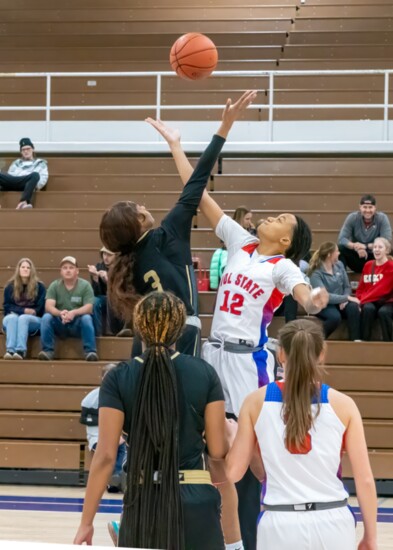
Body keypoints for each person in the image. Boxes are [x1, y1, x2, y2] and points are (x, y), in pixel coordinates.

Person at [146, 117, 329, 550]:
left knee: (251, 449)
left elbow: (303, 295)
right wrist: (176, 145)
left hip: (249, 361)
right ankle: (197, 527)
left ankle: (278, 506)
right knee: (209, 443)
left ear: (286, 240)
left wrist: (314, 300)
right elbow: (198, 193)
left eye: (281, 217)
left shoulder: (281, 266)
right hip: (213, 354)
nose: (272, 214)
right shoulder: (240, 242)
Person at [99, 90, 256, 358]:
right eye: (140, 207)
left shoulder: (126, 264)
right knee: (184, 400)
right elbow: (197, 181)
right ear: (139, 220)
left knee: (146, 399)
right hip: (181, 335)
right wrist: (224, 126)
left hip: (145, 338)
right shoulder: (167, 234)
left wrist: (174, 144)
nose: (144, 207)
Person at [73, 291, 228, 549]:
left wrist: (86, 522)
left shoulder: (118, 378)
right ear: (180, 330)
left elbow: (106, 456)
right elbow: (217, 450)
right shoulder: (205, 374)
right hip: (196, 500)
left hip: (144, 502)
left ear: (138, 328)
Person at [225, 319, 377, 550]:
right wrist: (371, 537)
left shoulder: (255, 402)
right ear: (321, 353)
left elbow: (233, 473)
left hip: (279, 523)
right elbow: (365, 480)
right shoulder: (344, 405)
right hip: (333, 521)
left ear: (280, 354)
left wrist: (231, 437)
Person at [38, 256, 98, 361]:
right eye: (65, 268)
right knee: (46, 317)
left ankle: (90, 351)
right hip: (60, 323)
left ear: (77, 271)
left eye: (71, 267)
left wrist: (74, 313)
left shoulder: (85, 285)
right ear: (61, 271)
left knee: (87, 318)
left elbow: (89, 307)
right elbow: (48, 306)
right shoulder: (54, 285)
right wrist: (60, 313)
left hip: (77, 324)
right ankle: (48, 351)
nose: (68, 270)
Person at [80, 363, 127, 493]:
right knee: (107, 450)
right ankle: (112, 479)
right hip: (97, 436)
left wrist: (120, 437)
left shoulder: (123, 395)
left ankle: (117, 477)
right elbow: (90, 424)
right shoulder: (91, 398)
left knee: (123, 448)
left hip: (119, 436)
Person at [308, 242, 361, 341]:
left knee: (353, 307)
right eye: (337, 251)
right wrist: (346, 298)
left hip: (340, 301)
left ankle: (356, 340)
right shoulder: (316, 273)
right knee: (334, 318)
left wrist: (344, 299)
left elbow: (347, 286)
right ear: (329, 254)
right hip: (323, 304)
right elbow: (324, 296)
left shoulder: (339, 265)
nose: (339, 253)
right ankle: (317, 340)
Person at [2, 258, 46, 359]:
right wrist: (24, 310)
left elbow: (39, 308)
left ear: (32, 270)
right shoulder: (10, 287)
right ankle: (10, 351)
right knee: (12, 318)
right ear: (18, 269)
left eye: (28, 267)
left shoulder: (39, 287)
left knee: (23, 318)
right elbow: (7, 307)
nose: (25, 269)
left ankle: (21, 351)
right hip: (12, 319)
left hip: (33, 321)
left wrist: (25, 313)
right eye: (23, 267)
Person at [338, 194, 392, 273]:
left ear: (375, 208)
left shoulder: (382, 218)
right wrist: (355, 246)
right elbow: (342, 239)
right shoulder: (352, 218)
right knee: (340, 248)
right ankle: (341, 277)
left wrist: (366, 246)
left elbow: (387, 240)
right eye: (365, 207)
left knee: (389, 249)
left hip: (375, 256)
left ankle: (387, 277)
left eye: (370, 207)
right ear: (360, 207)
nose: (367, 210)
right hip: (357, 257)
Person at [356, 237, 393, 341]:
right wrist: (359, 297)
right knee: (368, 309)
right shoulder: (368, 265)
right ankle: (364, 340)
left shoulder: (391, 267)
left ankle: (388, 343)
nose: (376, 249)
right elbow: (360, 288)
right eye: (375, 247)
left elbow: (381, 290)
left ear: (387, 250)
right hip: (370, 300)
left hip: (387, 301)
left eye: (380, 247)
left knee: (384, 312)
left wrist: (360, 301)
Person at [0, 137, 48, 210]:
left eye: (28, 149)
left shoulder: (40, 163)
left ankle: (23, 203)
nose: (26, 151)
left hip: (29, 184)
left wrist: (32, 185)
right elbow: (11, 176)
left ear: (33, 149)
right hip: (14, 182)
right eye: (23, 150)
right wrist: (25, 175)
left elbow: (42, 179)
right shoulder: (16, 163)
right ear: (21, 152)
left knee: (35, 175)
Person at [87, 246, 125, 337]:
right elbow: (96, 293)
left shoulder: (121, 268)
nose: (105, 257)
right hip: (103, 297)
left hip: (119, 298)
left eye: (109, 255)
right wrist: (95, 278)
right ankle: (97, 333)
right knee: (95, 301)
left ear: (116, 256)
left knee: (110, 297)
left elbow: (123, 290)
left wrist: (109, 279)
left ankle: (113, 330)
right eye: (104, 254)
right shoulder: (99, 266)